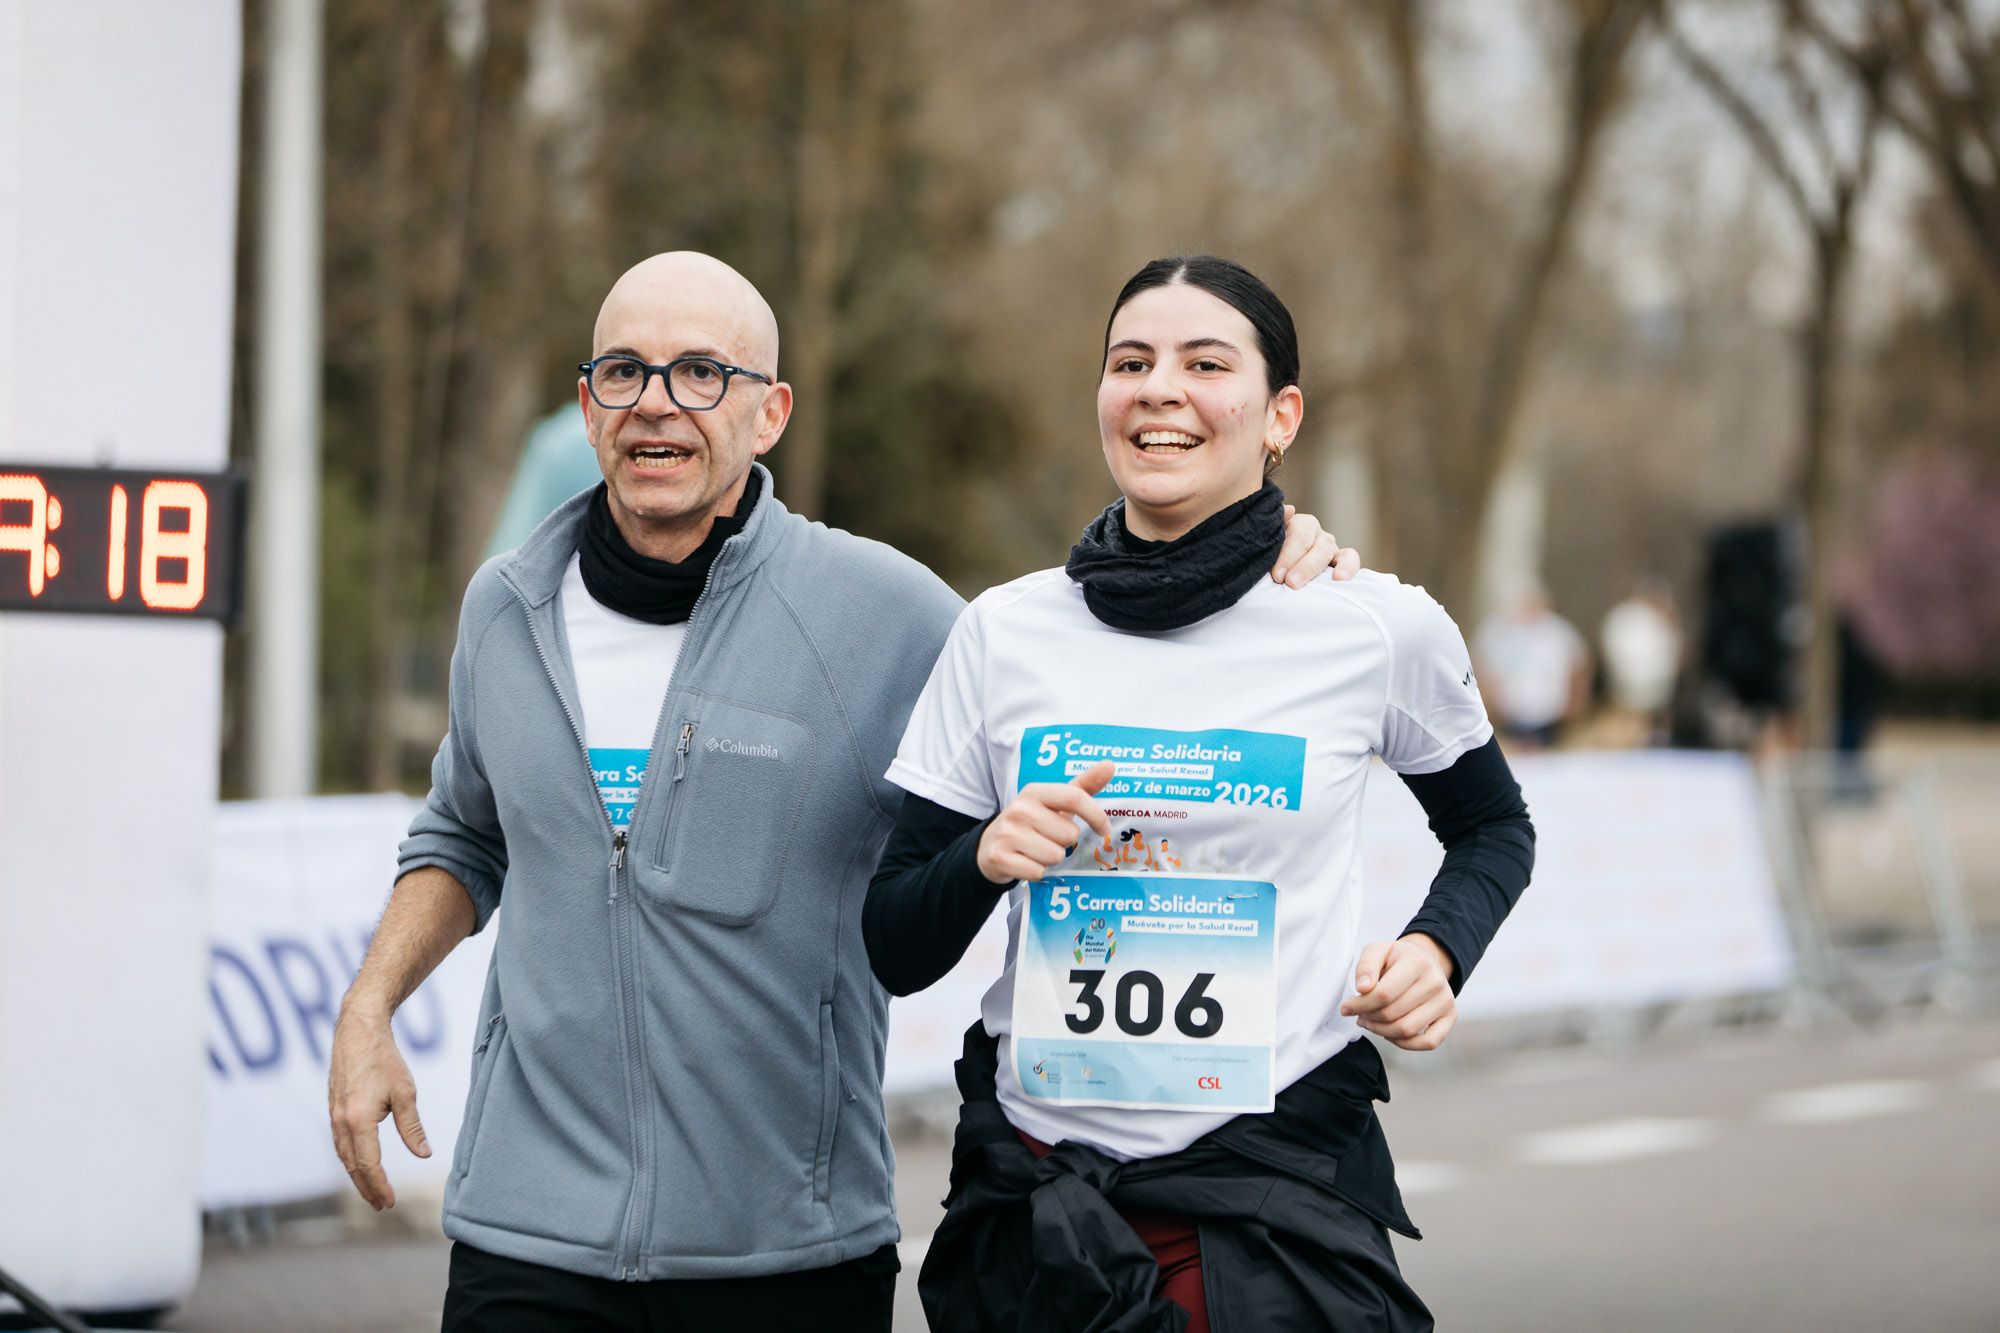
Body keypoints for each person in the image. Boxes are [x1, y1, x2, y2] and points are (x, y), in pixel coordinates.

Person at [324, 251, 1358, 1330]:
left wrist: (1252, 554)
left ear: (768, 413)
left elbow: (1092, 664)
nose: (656, 404)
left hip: (786, 1254)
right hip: (525, 1240)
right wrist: (368, 1006)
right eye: (624, 372)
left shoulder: (885, 612)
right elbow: (462, 832)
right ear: (588, 406)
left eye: (700, 374)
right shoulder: (505, 606)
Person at [864, 255, 1536, 1331]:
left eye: (1203, 362)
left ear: (1280, 414)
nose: (1158, 388)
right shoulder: (1002, 631)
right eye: (1129, 362)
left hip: (1271, 1195)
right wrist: (985, 853)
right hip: (1039, 1205)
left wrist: (1435, 949)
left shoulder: (1372, 626)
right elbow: (893, 942)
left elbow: (1492, 827)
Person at [1474, 580, 1589, 750]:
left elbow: (1579, 666)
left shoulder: (1558, 632)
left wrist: (1575, 703)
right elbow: (1481, 668)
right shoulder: (1497, 632)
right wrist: (1489, 704)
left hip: (1552, 719)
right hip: (1509, 718)